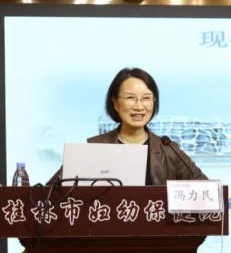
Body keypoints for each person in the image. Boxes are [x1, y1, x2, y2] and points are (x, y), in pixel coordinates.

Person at [48, 67, 206, 185]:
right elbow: (48, 194)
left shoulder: (169, 149)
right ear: (115, 103)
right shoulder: (95, 147)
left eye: (146, 98)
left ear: (154, 102)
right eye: (130, 98)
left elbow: (207, 190)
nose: (139, 106)